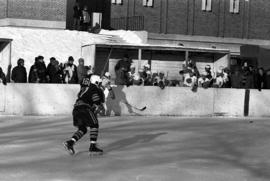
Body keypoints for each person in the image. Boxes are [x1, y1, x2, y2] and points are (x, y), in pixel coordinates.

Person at [63, 75, 105, 155]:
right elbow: (96, 100)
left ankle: (70, 143)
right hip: (84, 108)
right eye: (99, 83)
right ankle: (92, 147)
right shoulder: (94, 88)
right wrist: (99, 105)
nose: (100, 85)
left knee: (83, 129)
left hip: (76, 109)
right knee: (94, 125)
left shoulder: (83, 90)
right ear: (96, 82)